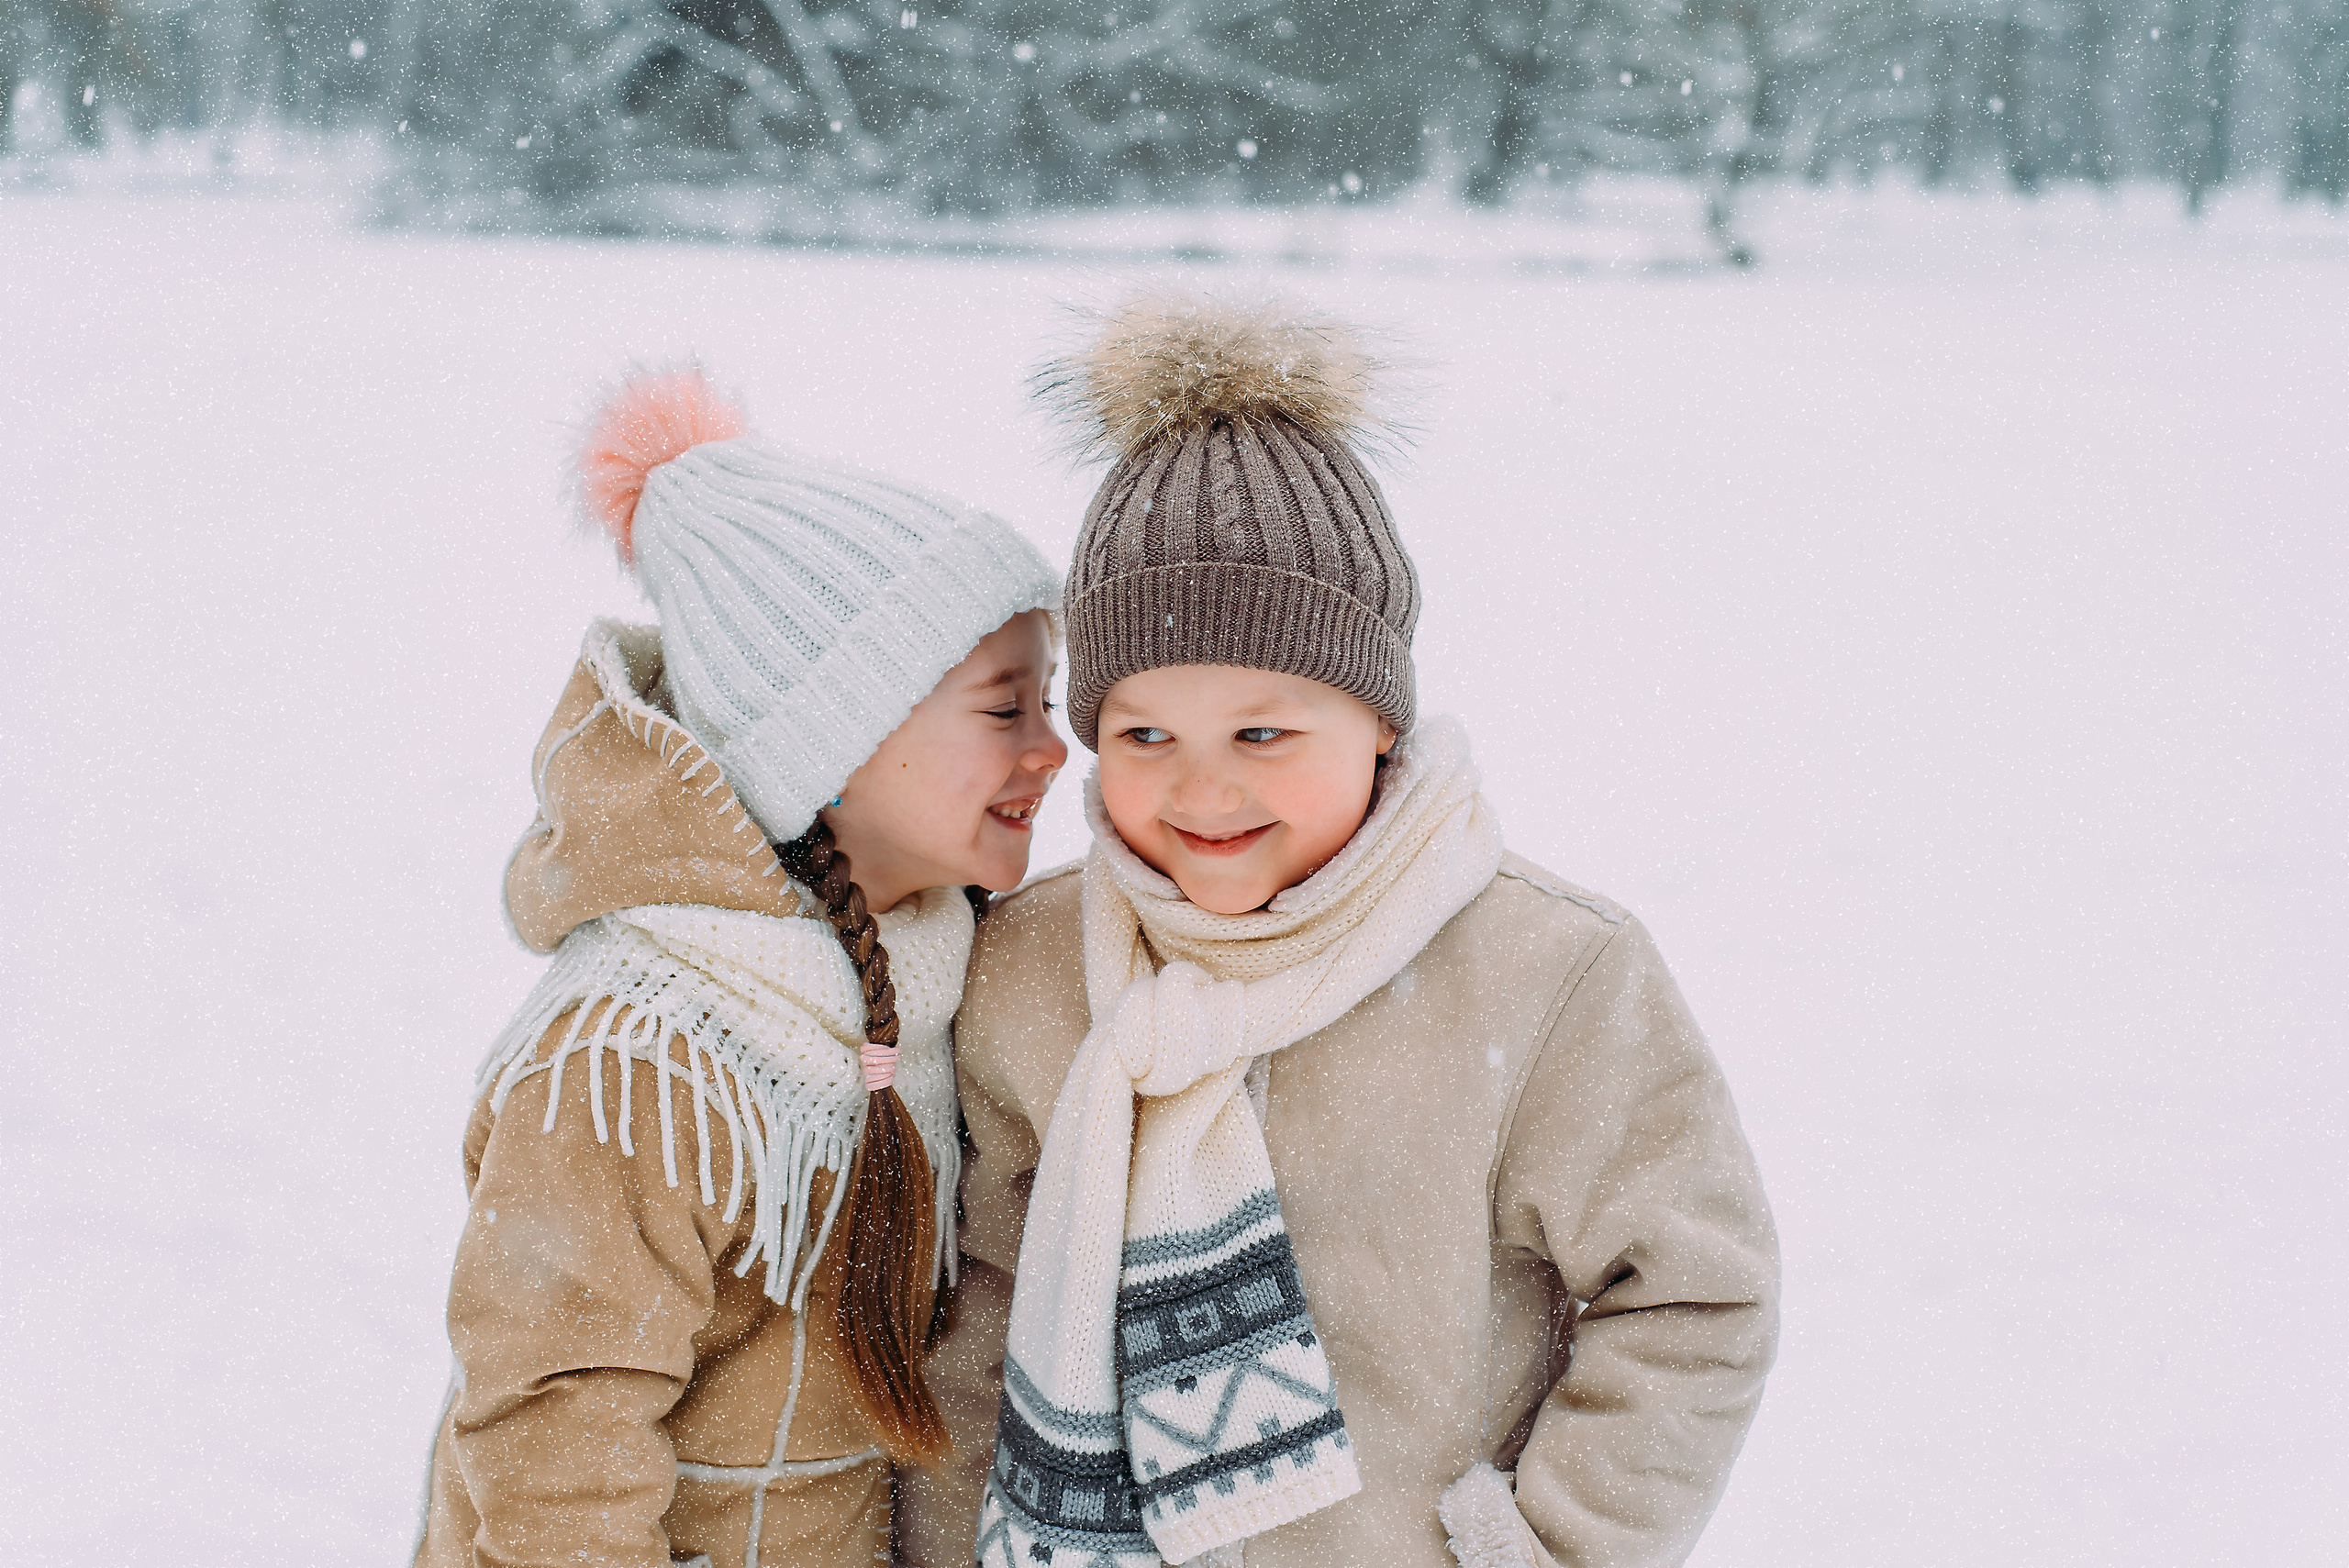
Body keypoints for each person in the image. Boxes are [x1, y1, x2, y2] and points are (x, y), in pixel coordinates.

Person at [899, 295, 1779, 1568]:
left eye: (1264, 733)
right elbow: (980, 1312)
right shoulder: (1032, 968)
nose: (1203, 792)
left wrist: (1547, 1544)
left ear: (1378, 721)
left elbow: (1693, 1293)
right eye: (1147, 734)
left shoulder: (1544, 973)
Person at [413, 364, 1069, 1568]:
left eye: (1052, 699)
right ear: (835, 737)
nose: (1053, 748)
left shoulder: (940, 967)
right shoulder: (635, 1057)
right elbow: (556, 1436)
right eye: (1002, 708)